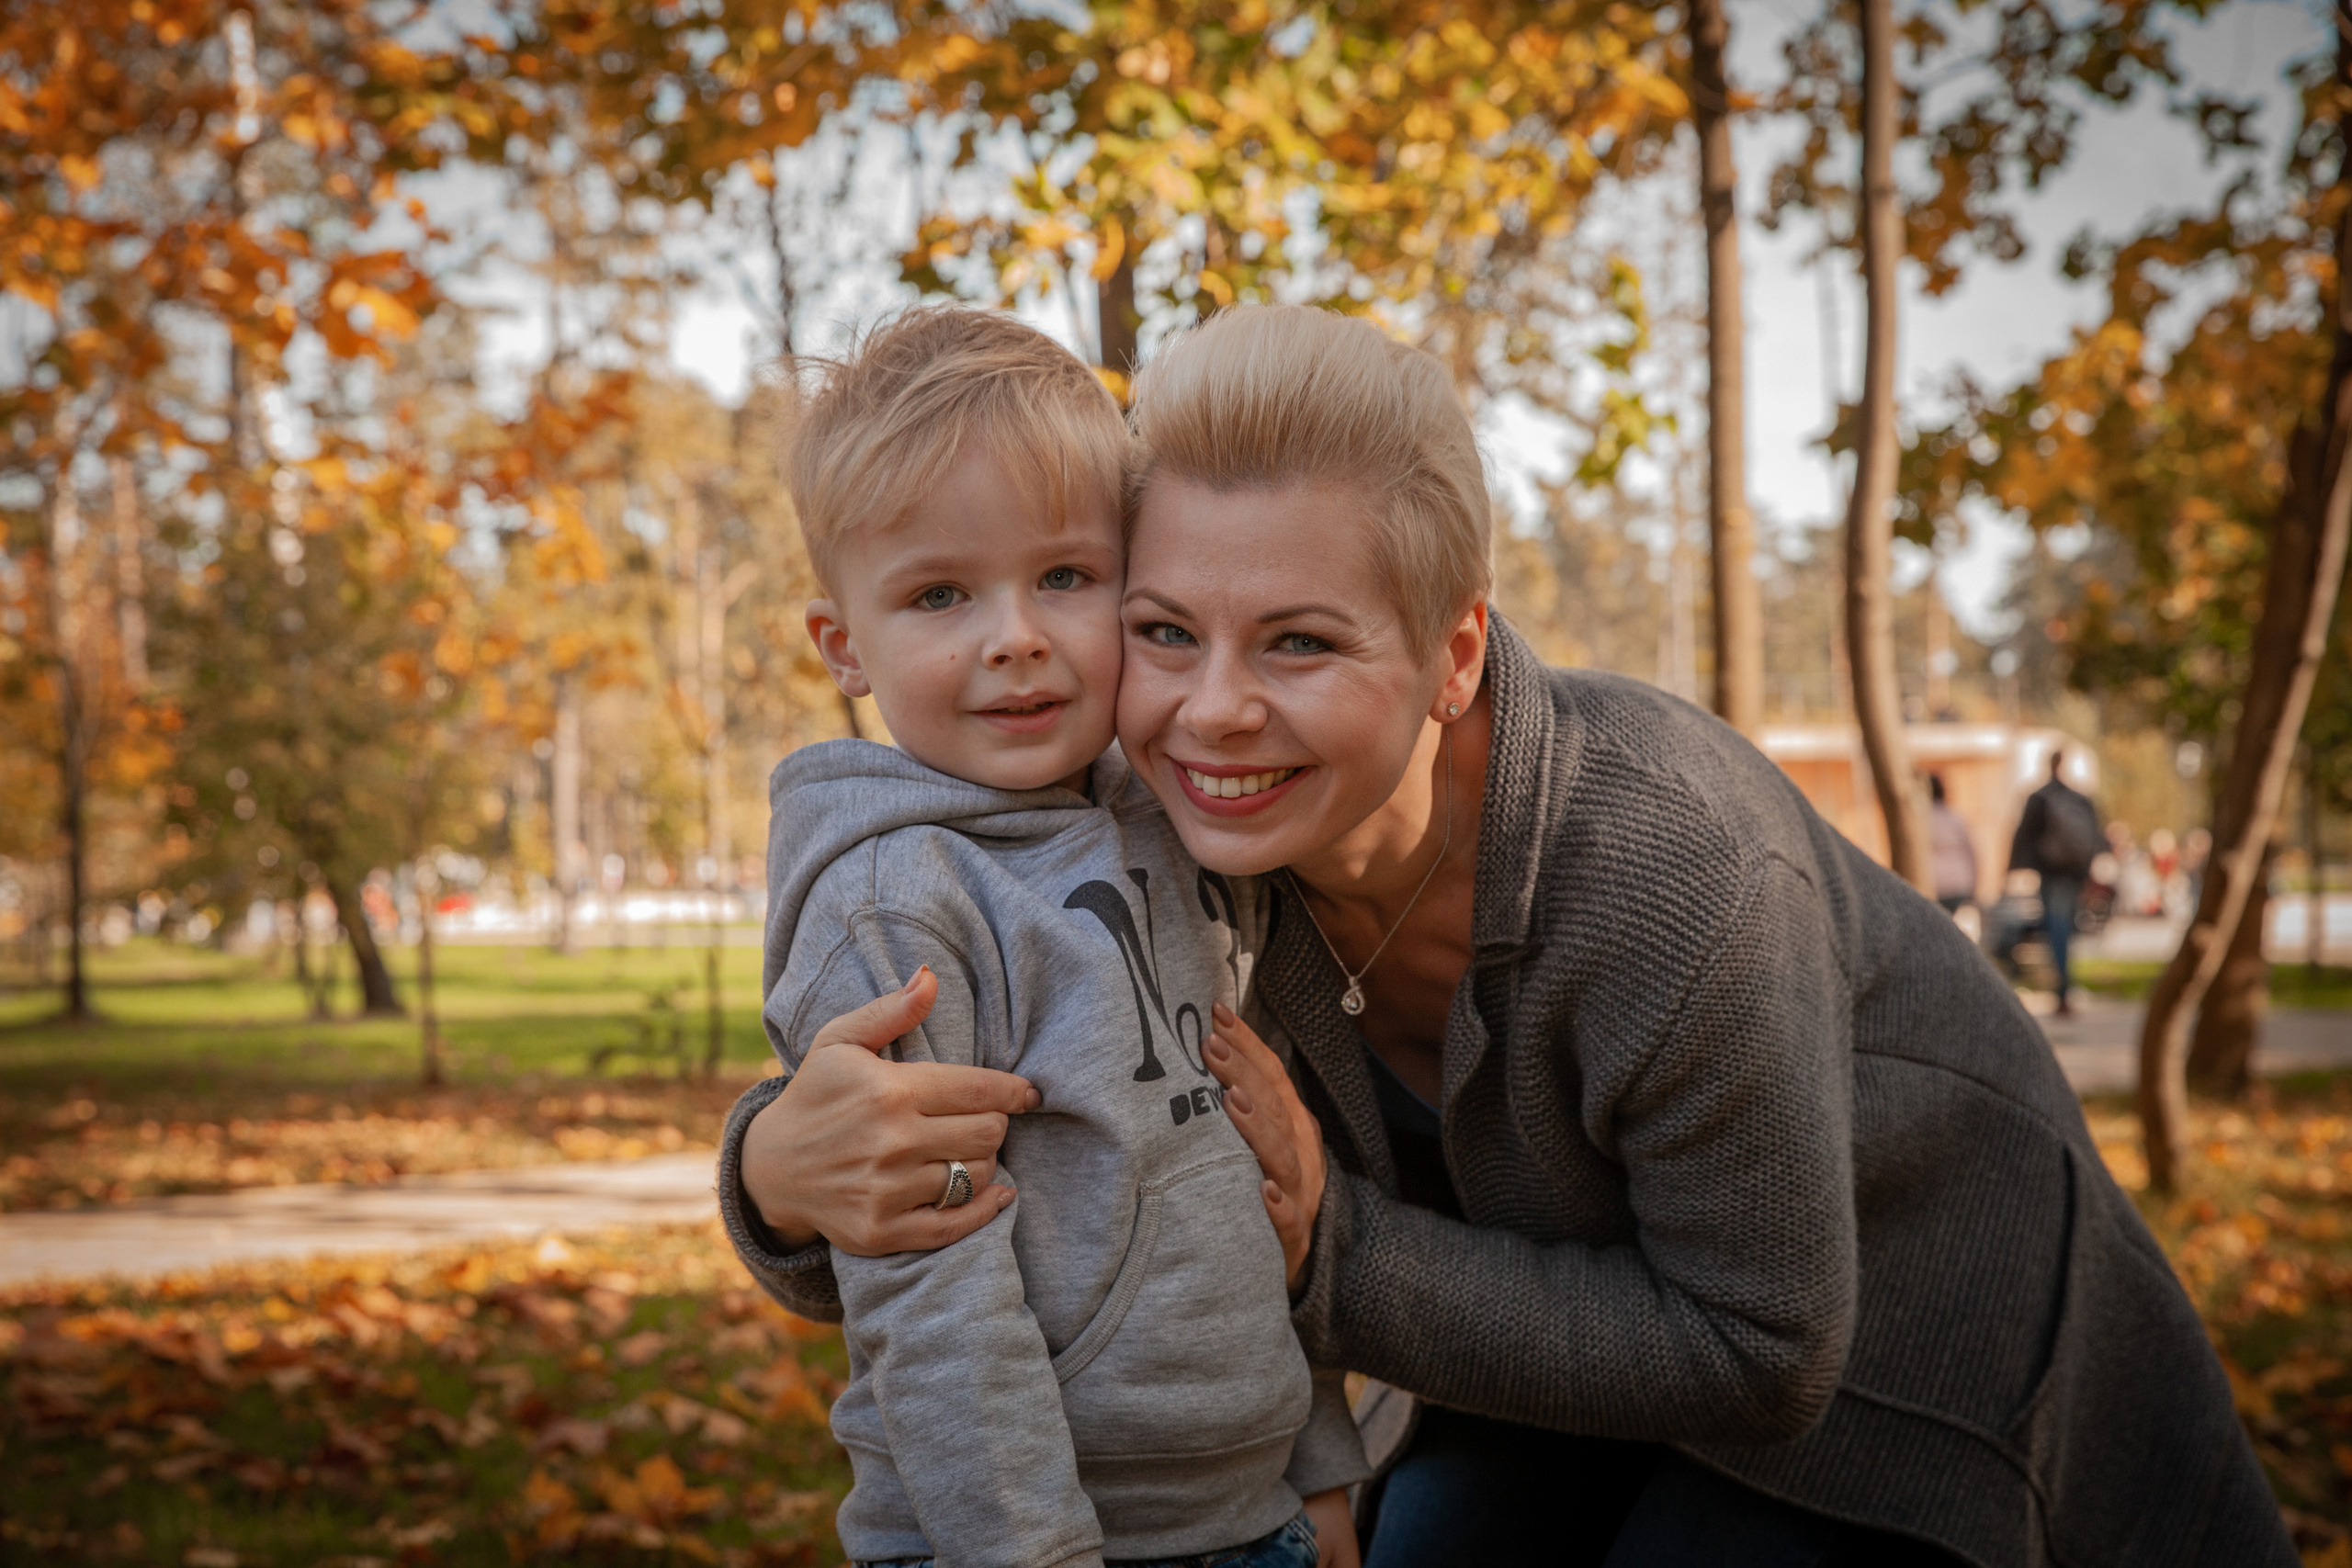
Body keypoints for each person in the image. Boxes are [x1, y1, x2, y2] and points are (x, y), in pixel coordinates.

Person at [720, 306, 2291, 1568]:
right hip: (1538, 1362)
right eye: (1162, 627)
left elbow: (1761, 1347)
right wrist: (778, 1176)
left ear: (1452, 647)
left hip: (1897, 1371)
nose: (1212, 710)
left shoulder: (1675, 869)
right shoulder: (1177, 824)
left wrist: (1336, 1251)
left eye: (1303, 640)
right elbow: (1013, 1117)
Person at [754, 307, 1362, 1568]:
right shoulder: (897, 899)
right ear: (844, 647)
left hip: (1251, 1515)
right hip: (1016, 1533)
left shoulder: (1172, 824)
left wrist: (1319, 1472)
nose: (1016, 634)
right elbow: (931, 1289)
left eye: (1066, 576)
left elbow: (1250, 1157)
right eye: (939, 593)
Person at [2002, 750, 2105, 1017]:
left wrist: (2012, 870)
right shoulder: (2079, 800)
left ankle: (2062, 990)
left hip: (2052, 875)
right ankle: (2064, 987)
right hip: (2073, 875)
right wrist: (2086, 873)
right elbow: (2095, 838)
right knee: (2063, 931)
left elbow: (2024, 836)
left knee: (2057, 931)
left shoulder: (2040, 798)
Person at [1927, 773, 1978, 916]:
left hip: (1934, 884)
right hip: (1958, 884)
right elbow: (1971, 853)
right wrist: (1974, 884)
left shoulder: (1922, 821)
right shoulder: (1955, 818)